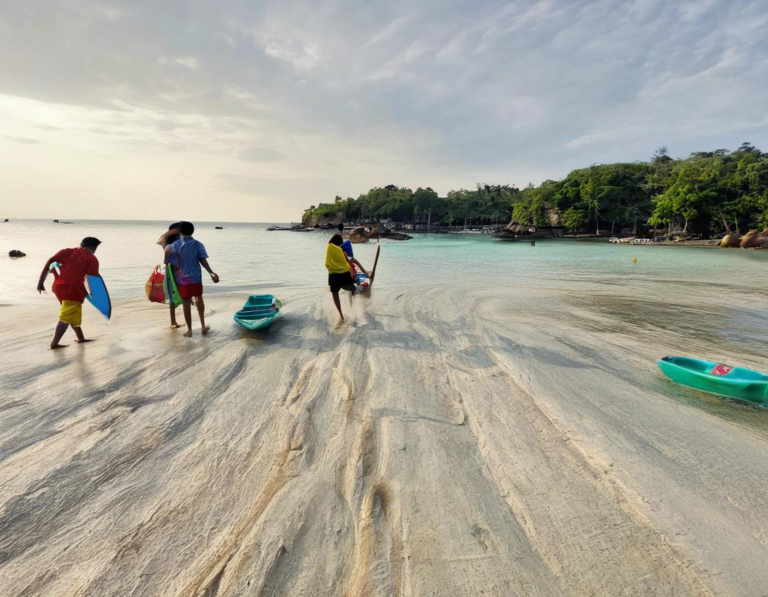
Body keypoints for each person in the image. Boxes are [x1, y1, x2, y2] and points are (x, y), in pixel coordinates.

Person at [36, 237, 102, 349]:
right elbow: (92, 279)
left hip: (58, 288)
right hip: (73, 290)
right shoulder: (92, 259)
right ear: (93, 248)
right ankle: (54, 343)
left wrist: (40, 283)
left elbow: (49, 263)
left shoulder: (65, 251)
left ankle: (80, 337)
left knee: (72, 312)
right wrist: (93, 294)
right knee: (67, 316)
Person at [165, 221, 219, 337]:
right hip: (196, 278)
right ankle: (203, 326)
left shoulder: (175, 245)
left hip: (183, 278)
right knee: (199, 298)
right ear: (192, 231)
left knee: (186, 302)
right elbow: (203, 261)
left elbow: (168, 259)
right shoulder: (198, 244)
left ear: (180, 232)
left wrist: (166, 250)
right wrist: (211, 272)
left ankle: (189, 330)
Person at [325, 234, 355, 321]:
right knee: (351, 288)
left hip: (334, 274)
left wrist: (331, 267)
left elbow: (327, 263)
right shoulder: (340, 250)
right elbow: (345, 263)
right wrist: (350, 270)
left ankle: (341, 315)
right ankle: (352, 308)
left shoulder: (330, 246)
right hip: (345, 273)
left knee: (335, 293)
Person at [157, 222, 181, 328]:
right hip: (173, 271)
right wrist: (171, 232)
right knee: (175, 295)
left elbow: (161, 239)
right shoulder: (172, 243)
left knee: (177, 295)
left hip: (174, 270)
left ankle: (173, 322)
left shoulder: (169, 243)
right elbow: (160, 239)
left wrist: (169, 233)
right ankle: (173, 321)